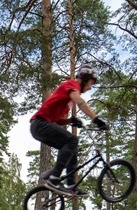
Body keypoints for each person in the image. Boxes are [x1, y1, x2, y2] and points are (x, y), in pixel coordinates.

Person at [31, 63, 107, 198]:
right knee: (72, 140)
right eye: (91, 83)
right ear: (84, 79)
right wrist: (96, 119)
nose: (90, 87)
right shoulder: (71, 85)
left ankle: (71, 185)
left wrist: (71, 120)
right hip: (39, 124)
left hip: (41, 127)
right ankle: (54, 178)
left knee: (72, 148)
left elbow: (58, 120)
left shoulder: (68, 102)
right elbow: (80, 102)